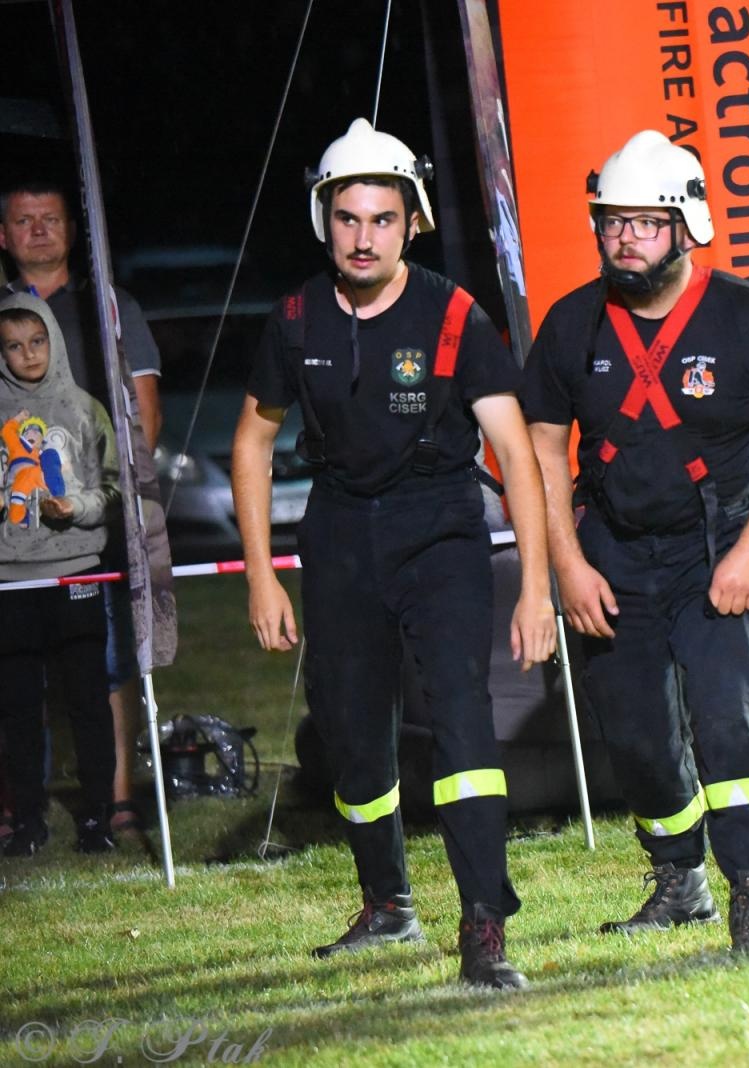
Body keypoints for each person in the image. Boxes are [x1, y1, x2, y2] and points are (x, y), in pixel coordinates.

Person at [231, 119, 556, 989]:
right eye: (347, 218)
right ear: (323, 220)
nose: (363, 235)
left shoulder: (455, 314)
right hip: (338, 535)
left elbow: (516, 456)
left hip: (439, 530)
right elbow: (253, 442)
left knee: (460, 722)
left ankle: (484, 926)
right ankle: (387, 905)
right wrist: (261, 575)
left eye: (381, 217)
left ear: (411, 221)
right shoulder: (294, 318)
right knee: (353, 737)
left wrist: (535, 586)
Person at [522, 130, 749, 953]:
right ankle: (678, 877)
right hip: (612, 556)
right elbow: (544, 449)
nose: (624, 238)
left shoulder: (748, 315)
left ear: (687, 223)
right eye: (612, 222)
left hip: (717, 548)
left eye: (644, 223)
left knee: (729, 719)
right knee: (639, 736)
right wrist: (568, 566)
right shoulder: (569, 323)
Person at [1, 178, 164, 835]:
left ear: (72, 229)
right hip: (10, 543)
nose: (39, 230)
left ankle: (117, 796)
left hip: (90, 532)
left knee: (105, 666)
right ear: (4, 235)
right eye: (24, 220)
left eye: (51, 219)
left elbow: (142, 412)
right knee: (14, 677)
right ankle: (20, 806)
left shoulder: (109, 307)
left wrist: (113, 499)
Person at [0, 292, 121, 856]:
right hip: (10, 581)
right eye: (14, 346)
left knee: (88, 699)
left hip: (77, 574)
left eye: (38, 341)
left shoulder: (84, 408)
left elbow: (115, 487)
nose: (28, 355)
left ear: (54, 338)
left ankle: (97, 818)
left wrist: (77, 509)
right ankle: (27, 820)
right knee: (18, 705)